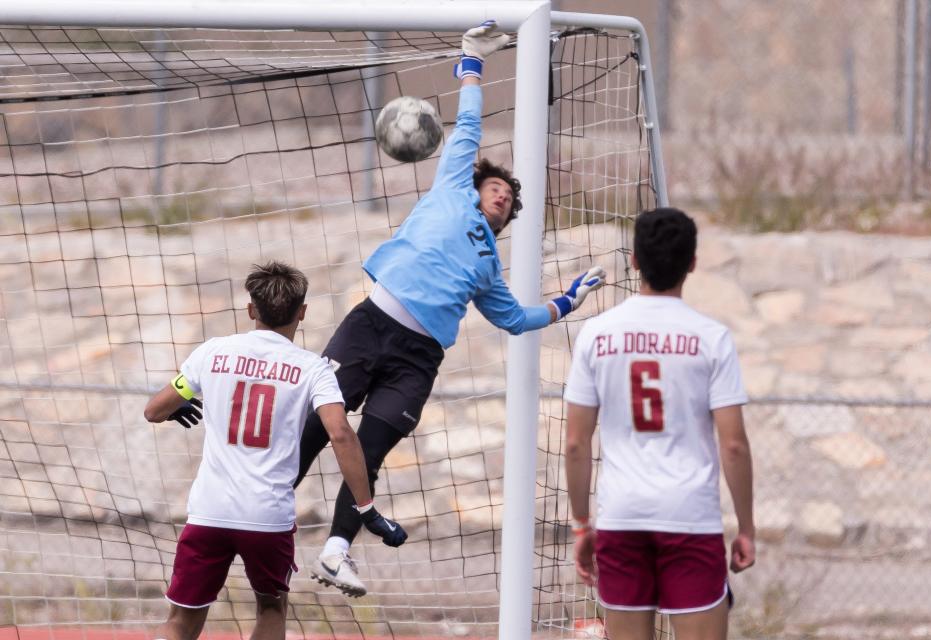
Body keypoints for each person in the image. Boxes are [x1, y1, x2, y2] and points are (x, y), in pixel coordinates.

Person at [295, 21, 606, 598]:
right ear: (478, 184)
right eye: (497, 189)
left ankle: (336, 550)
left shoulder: (488, 268)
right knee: (317, 423)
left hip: (418, 359)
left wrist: (567, 301)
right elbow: (468, 122)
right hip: (372, 324)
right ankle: (261, 508)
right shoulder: (451, 188)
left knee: (371, 448)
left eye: (510, 200)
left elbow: (516, 320)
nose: (503, 196)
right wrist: (471, 60)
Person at [143, 261, 407, 640]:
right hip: (266, 517)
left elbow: (154, 410)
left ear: (251, 309)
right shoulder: (312, 368)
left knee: (181, 621)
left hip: (209, 511)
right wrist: (365, 508)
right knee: (271, 607)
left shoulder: (213, 352)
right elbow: (341, 435)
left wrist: (178, 405)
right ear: (302, 312)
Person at [563, 208, 755, 640]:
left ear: (633, 260)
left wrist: (581, 524)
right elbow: (735, 446)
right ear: (692, 263)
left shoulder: (596, 333)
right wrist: (746, 528)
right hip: (690, 517)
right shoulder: (711, 337)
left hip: (622, 515)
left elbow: (576, 444)